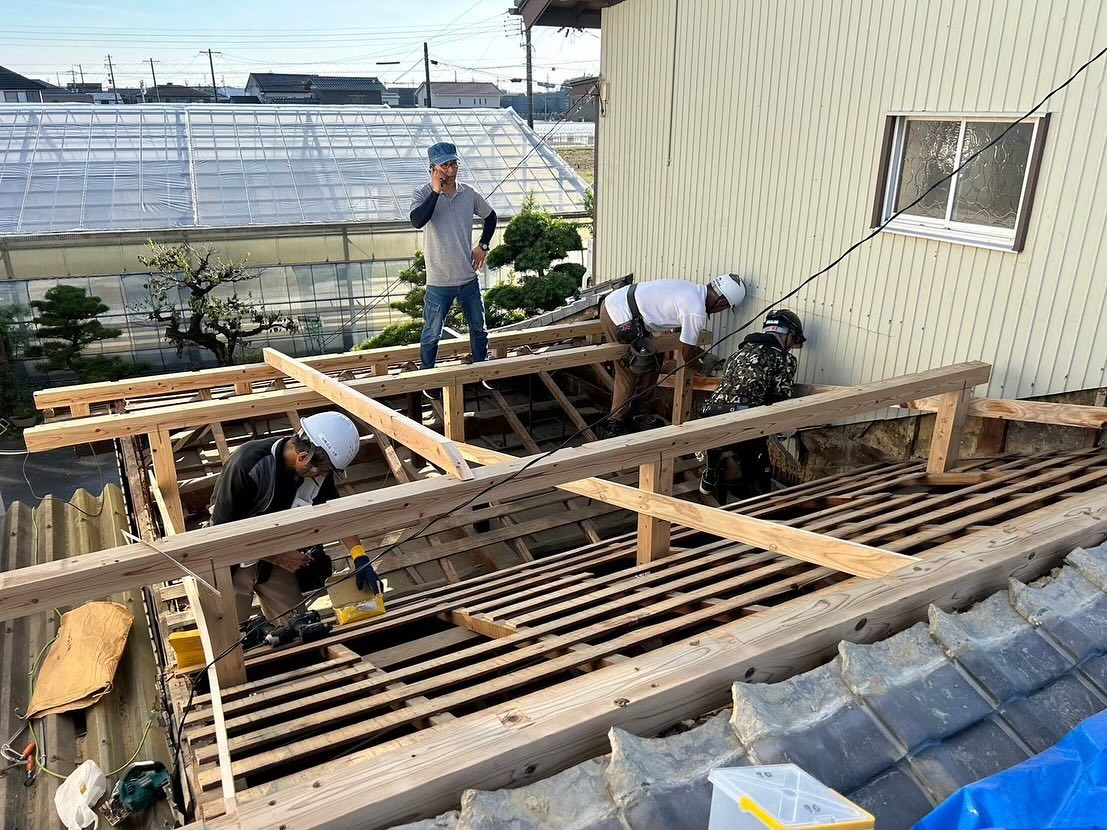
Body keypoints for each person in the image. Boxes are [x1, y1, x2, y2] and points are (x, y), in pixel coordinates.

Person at [208, 411, 380, 625]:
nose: (324, 477)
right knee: (229, 631)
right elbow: (221, 534)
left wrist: (359, 556)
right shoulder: (247, 464)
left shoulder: (315, 468)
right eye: (323, 471)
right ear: (303, 457)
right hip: (232, 556)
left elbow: (335, 515)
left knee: (298, 626)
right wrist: (277, 556)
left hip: (276, 553)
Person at [598, 275, 746, 436]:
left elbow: (682, 334)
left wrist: (701, 354)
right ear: (721, 302)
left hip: (622, 304)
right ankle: (615, 424)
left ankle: (639, 413)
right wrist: (702, 368)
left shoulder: (692, 290)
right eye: (724, 308)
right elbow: (687, 354)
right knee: (629, 370)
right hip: (617, 313)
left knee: (652, 361)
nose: (720, 310)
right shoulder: (695, 310)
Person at [409, 141, 499, 396]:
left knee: (478, 327)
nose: (450, 170)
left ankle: (482, 369)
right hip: (438, 280)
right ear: (433, 169)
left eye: (454, 163)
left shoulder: (467, 193)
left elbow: (491, 216)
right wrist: (435, 193)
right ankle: (429, 378)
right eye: (445, 165)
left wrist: (483, 245)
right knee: (431, 333)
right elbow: (418, 221)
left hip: (468, 276)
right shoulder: (422, 194)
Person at [698, 309, 805, 500]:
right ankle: (757, 511)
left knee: (722, 453)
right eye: (793, 339)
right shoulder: (784, 358)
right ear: (787, 335)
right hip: (743, 416)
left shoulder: (737, 354)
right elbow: (780, 400)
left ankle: (711, 469)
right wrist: (785, 428)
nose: (791, 346)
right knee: (759, 473)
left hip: (710, 412)